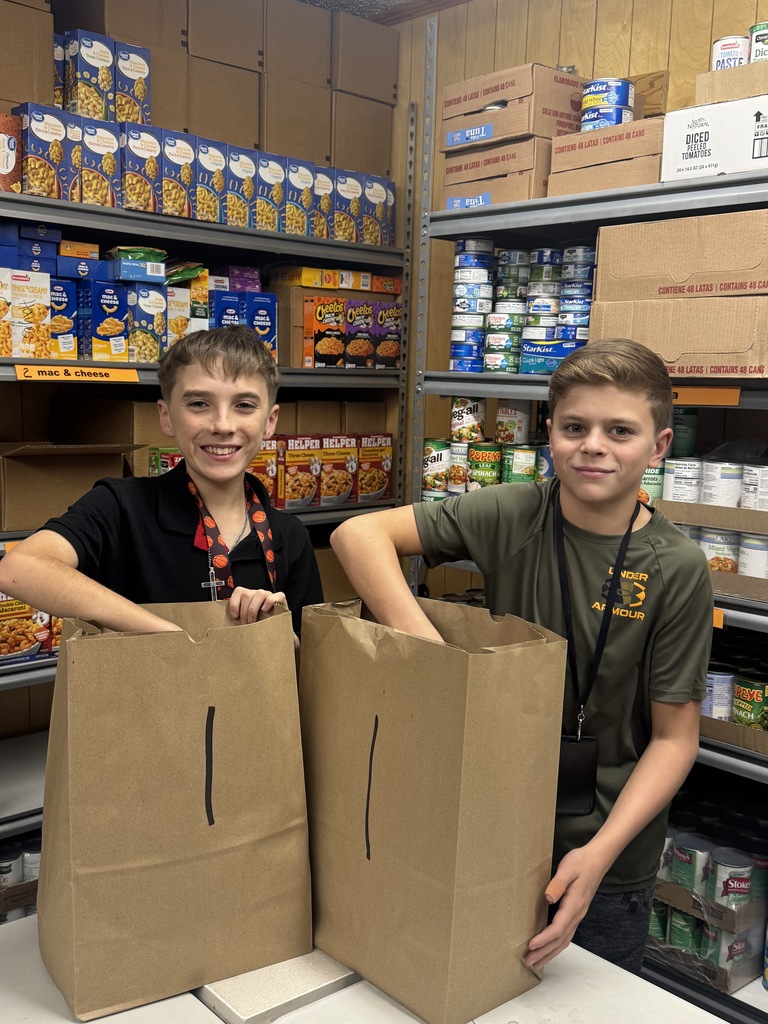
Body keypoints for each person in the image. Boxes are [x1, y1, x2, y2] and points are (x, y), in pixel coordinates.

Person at [330, 338, 712, 973]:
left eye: (620, 430)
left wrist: (597, 857)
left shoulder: (677, 567)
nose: (593, 444)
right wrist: (429, 651)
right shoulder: (512, 512)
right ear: (550, 433)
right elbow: (357, 534)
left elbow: (675, 739)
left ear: (659, 446)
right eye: (574, 427)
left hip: (605, 860)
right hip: (486, 829)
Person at [0, 326, 323, 638]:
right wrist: (173, 636)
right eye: (199, 403)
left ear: (270, 421)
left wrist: (282, 637)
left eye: (244, 405)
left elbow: (310, 665)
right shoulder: (120, 506)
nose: (223, 425)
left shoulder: (289, 536)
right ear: (166, 416)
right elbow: (19, 568)